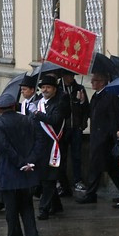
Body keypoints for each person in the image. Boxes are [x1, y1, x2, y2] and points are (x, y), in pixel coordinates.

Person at [0, 94, 42, 236]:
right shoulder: (29, 120)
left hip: (9, 171)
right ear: (14, 106)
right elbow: (39, 141)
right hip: (28, 172)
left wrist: (20, 163)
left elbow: (4, 147)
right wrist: (30, 161)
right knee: (27, 207)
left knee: (11, 209)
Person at [74, 70, 119, 204]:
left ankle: (91, 194)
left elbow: (115, 118)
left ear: (102, 82)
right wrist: (83, 101)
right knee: (111, 169)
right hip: (97, 136)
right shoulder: (96, 96)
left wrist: (115, 137)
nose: (91, 82)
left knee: (95, 167)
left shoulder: (111, 96)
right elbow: (91, 112)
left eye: (94, 80)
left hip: (105, 139)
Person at [31, 73, 69, 220]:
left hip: (53, 147)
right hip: (39, 147)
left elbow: (54, 120)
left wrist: (37, 113)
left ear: (54, 89)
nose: (45, 90)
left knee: (49, 179)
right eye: (43, 87)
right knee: (43, 179)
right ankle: (56, 205)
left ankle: (43, 209)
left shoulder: (59, 104)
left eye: (48, 87)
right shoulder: (38, 102)